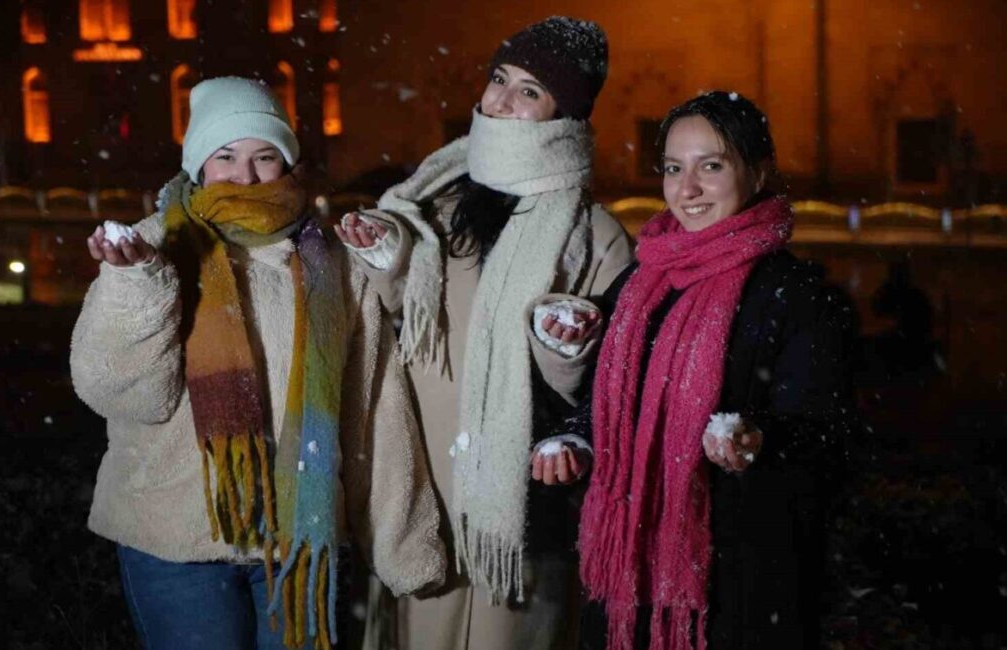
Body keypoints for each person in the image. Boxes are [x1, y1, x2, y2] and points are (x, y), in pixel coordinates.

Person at [70, 76, 445, 650]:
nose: (244, 176)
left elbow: (373, 410)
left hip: (299, 540)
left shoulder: (334, 264)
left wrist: (404, 545)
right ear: (199, 163)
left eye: (264, 156)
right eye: (225, 156)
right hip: (175, 542)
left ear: (288, 163)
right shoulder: (151, 246)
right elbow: (124, 394)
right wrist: (137, 284)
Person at [335, 16, 634, 650]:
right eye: (500, 78)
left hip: (524, 511)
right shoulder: (432, 207)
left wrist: (566, 346)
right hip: (425, 491)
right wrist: (387, 260)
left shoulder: (594, 235)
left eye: (529, 91)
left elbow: (606, 385)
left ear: (565, 115)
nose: (500, 100)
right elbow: (405, 322)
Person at [571, 90, 858, 650]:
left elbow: (830, 432)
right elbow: (598, 404)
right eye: (673, 168)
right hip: (628, 571)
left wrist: (760, 438)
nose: (688, 189)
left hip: (737, 580)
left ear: (758, 173)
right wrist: (571, 438)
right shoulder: (638, 283)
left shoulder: (796, 295)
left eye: (711, 166)